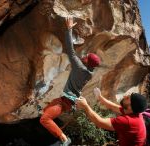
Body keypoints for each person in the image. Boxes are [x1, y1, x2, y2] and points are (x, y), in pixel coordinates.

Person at [40, 17, 101, 146]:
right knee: (47, 108)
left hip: (65, 102)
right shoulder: (89, 73)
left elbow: (70, 50)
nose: (84, 56)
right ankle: (56, 130)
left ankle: (64, 139)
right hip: (68, 100)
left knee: (44, 119)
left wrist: (69, 29)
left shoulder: (80, 67)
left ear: (87, 62)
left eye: (86, 57)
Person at [76, 88, 147, 146]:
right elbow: (113, 107)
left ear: (130, 107)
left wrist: (85, 106)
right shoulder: (134, 112)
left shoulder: (128, 121)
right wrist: (100, 97)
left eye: (128, 98)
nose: (125, 96)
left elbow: (99, 122)